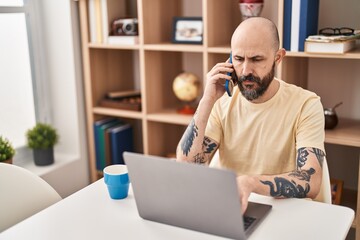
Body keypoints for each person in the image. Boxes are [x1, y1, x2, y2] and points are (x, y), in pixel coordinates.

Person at [176, 17, 325, 213]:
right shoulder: (221, 100)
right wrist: (207, 100)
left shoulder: (306, 104)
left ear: (278, 58)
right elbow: (186, 167)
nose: (246, 71)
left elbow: (311, 181)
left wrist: (250, 183)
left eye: (256, 59)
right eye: (238, 59)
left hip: (281, 211)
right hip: (226, 208)